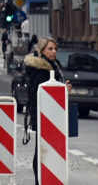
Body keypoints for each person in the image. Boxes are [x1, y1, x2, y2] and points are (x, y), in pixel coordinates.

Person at [25, 37, 72, 184]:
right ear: (42, 50)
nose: (53, 52)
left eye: (55, 49)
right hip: (44, 114)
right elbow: (39, 94)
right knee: (41, 151)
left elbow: (52, 91)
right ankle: (39, 181)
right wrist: (62, 89)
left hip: (51, 114)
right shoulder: (42, 69)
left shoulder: (51, 66)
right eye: (50, 49)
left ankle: (44, 180)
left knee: (45, 150)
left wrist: (64, 89)